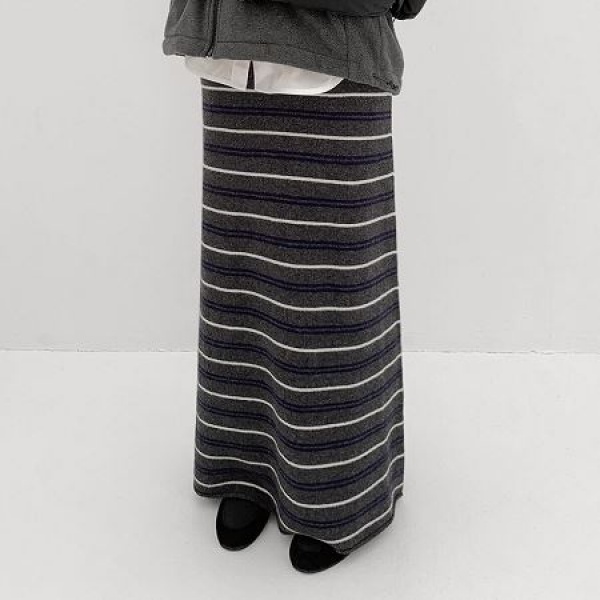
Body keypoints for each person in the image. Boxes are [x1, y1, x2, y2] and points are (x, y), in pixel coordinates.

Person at [162, 0, 428, 574]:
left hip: (336, 56)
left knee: (334, 292)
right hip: (233, 56)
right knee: (241, 276)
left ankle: (339, 491)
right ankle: (247, 467)